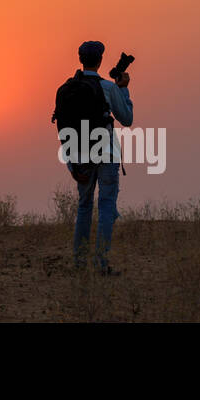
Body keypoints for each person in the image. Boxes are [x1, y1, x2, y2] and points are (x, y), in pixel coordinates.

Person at [69, 40, 133, 274]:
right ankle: (100, 264)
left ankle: (79, 264)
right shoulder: (109, 87)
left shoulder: (70, 88)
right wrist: (124, 88)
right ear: (101, 60)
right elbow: (127, 119)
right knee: (106, 206)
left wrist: (71, 161)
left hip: (79, 155)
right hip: (107, 153)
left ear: (80, 59)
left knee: (84, 206)